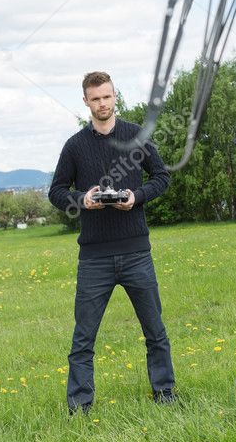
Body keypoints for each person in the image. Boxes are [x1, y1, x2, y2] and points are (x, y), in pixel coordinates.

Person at [49, 71, 176, 413]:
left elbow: (162, 177)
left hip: (136, 251)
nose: (102, 103)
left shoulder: (137, 136)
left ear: (114, 96)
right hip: (94, 258)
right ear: (86, 102)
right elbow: (56, 192)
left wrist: (136, 196)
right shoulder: (74, 146)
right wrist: (82, 200)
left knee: (155, 331)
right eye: (95, 99)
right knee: (83, 338)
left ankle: (165, 395)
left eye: (107, 97)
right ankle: (79, 407)